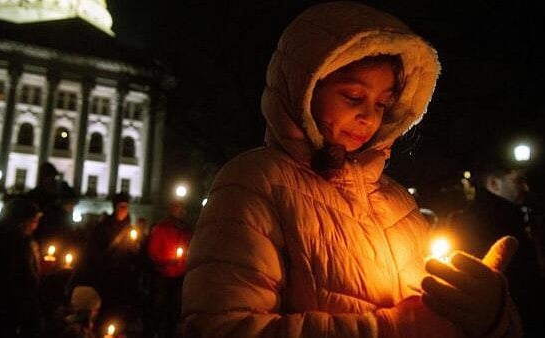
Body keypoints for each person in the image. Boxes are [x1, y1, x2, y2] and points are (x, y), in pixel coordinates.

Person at [181, 2, 522, 337]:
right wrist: (402, 328)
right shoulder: (256, 182)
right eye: (353, 96)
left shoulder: (398, 204)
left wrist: (489, 319)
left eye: (381, 103)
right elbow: (222, 327)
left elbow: (434, 315)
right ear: (306, 89)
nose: (369, 117)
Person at [447, 155, 545, 336]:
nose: (525, 187)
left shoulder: (517, 217)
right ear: (494, 184)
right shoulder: (477, 223)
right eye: (518, 181)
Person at [69, 192, 139, 336]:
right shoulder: (103, 228)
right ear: (115, 207)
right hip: (105, 277)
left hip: (123, 278)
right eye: (121, 206)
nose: (124, 210)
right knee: (104, 312)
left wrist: (135, 249)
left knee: (118, 313)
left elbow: (134, 257)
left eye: (126, 207)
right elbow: (93, 252)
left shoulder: (130, 229)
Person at [0, 197, 43, 338]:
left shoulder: (28, 242)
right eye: (33, 221)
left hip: (18, 305)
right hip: (2, 306)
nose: (35, 226)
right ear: (21, 221)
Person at [142, 201, 192, 338]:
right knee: (157, 308)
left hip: (179, 276)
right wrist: (168, 260)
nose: (182, 211)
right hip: (163, 276)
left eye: (183, 208)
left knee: (174, 310)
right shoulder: (161, 228)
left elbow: (190, 249)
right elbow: (153, 253)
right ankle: (151, 333)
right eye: (178, 208)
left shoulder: (186, 231)